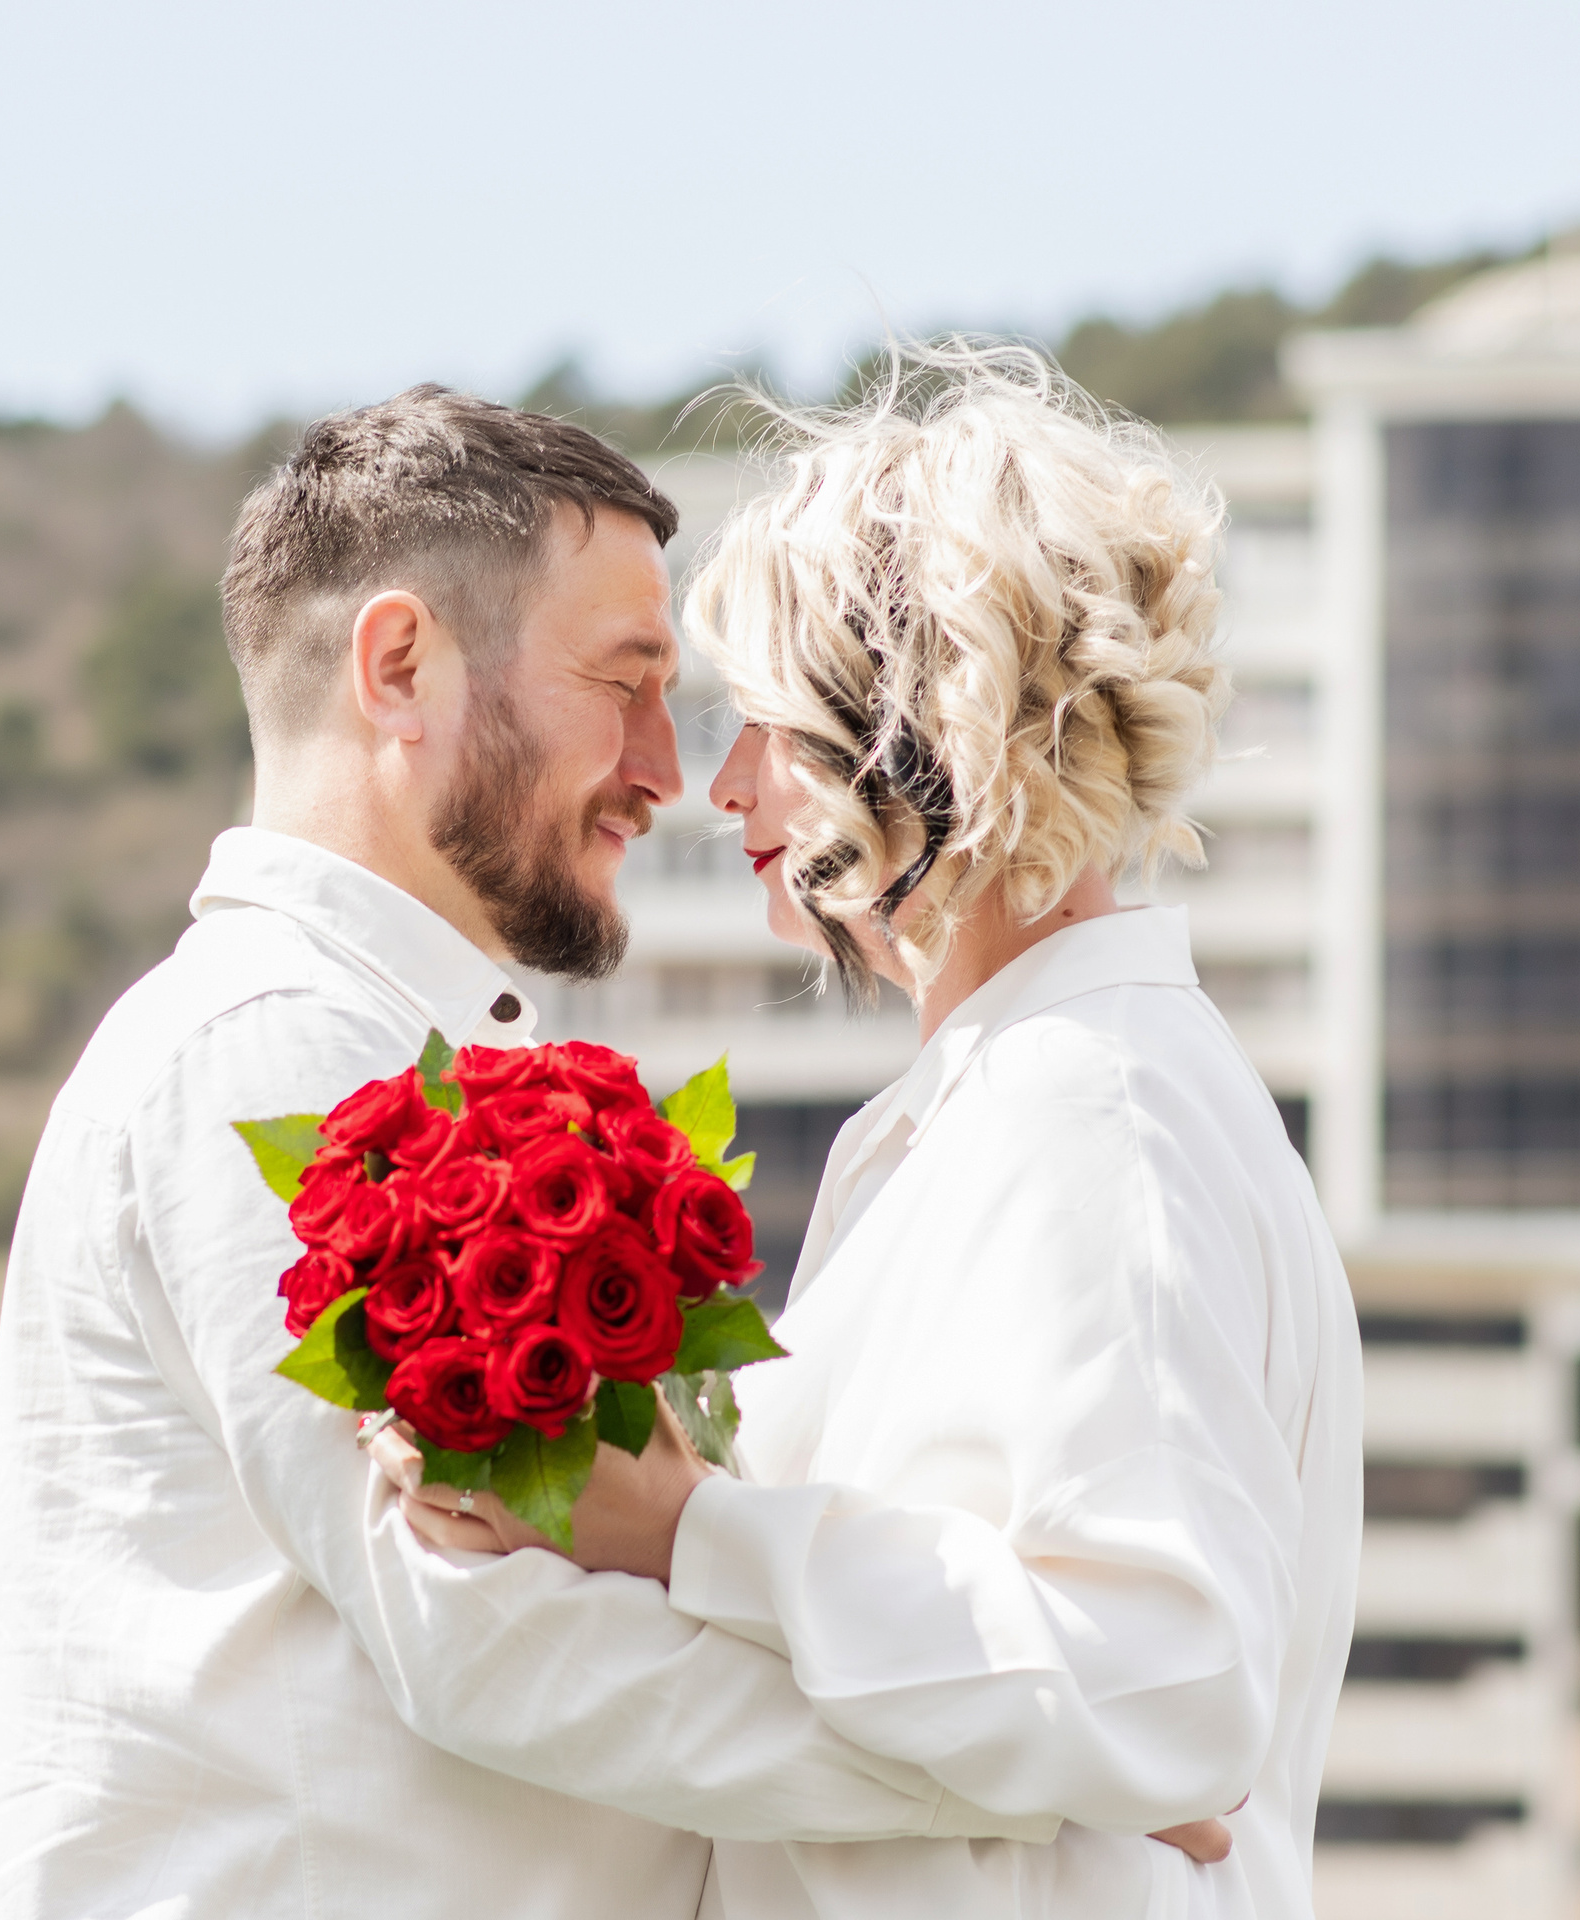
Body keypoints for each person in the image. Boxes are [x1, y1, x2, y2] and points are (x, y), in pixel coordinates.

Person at [0, 385, 1231, 1918]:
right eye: (624, 682)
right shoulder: (269, 1052)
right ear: (401, 665)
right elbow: (493, 1633)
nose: (665, 768)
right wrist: (1054, 1797)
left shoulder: (411, 1067)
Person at [399, 348, 1362, 1919]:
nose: (719, 786)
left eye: (766, 725)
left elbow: (1166, 1689)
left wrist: (693, 1530)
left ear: (918, 727)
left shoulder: (1090, 1110)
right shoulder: (1016, 1101)